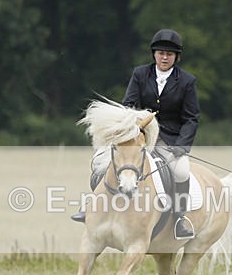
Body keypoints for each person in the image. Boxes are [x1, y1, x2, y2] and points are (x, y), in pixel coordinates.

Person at [72, 28, 200, 240]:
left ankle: (179, 218)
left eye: (169, 54)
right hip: (137, 136)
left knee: (181, 171)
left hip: (168, 140)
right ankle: (91, 206)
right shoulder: (141, 74)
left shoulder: (187, 81)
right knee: (101, 163)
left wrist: (181, 146)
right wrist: (129, 128)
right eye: (160, 52)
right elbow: (129, 104)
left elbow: (191, 118)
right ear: (154, 54)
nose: (164, 57)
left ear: (176, 56)